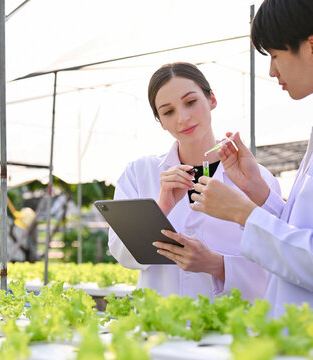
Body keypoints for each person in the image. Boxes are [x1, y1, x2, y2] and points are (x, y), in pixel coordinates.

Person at [188, 0, 313, 341]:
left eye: (275, 55)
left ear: (312, 47)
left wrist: (243, 214)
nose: (272, 71)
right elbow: (312, 234)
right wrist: (262, 196)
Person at [108, 62, 281, 300]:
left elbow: (278, 261)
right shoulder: (139, 173)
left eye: (191, 102)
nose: (183, 118)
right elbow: (122, 254)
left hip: (231, 327)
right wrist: (161, 208)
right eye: (168, 112)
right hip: (162, 326)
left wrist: (217, 265)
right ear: (160, 121)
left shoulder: (257, 178)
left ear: (211, 100)